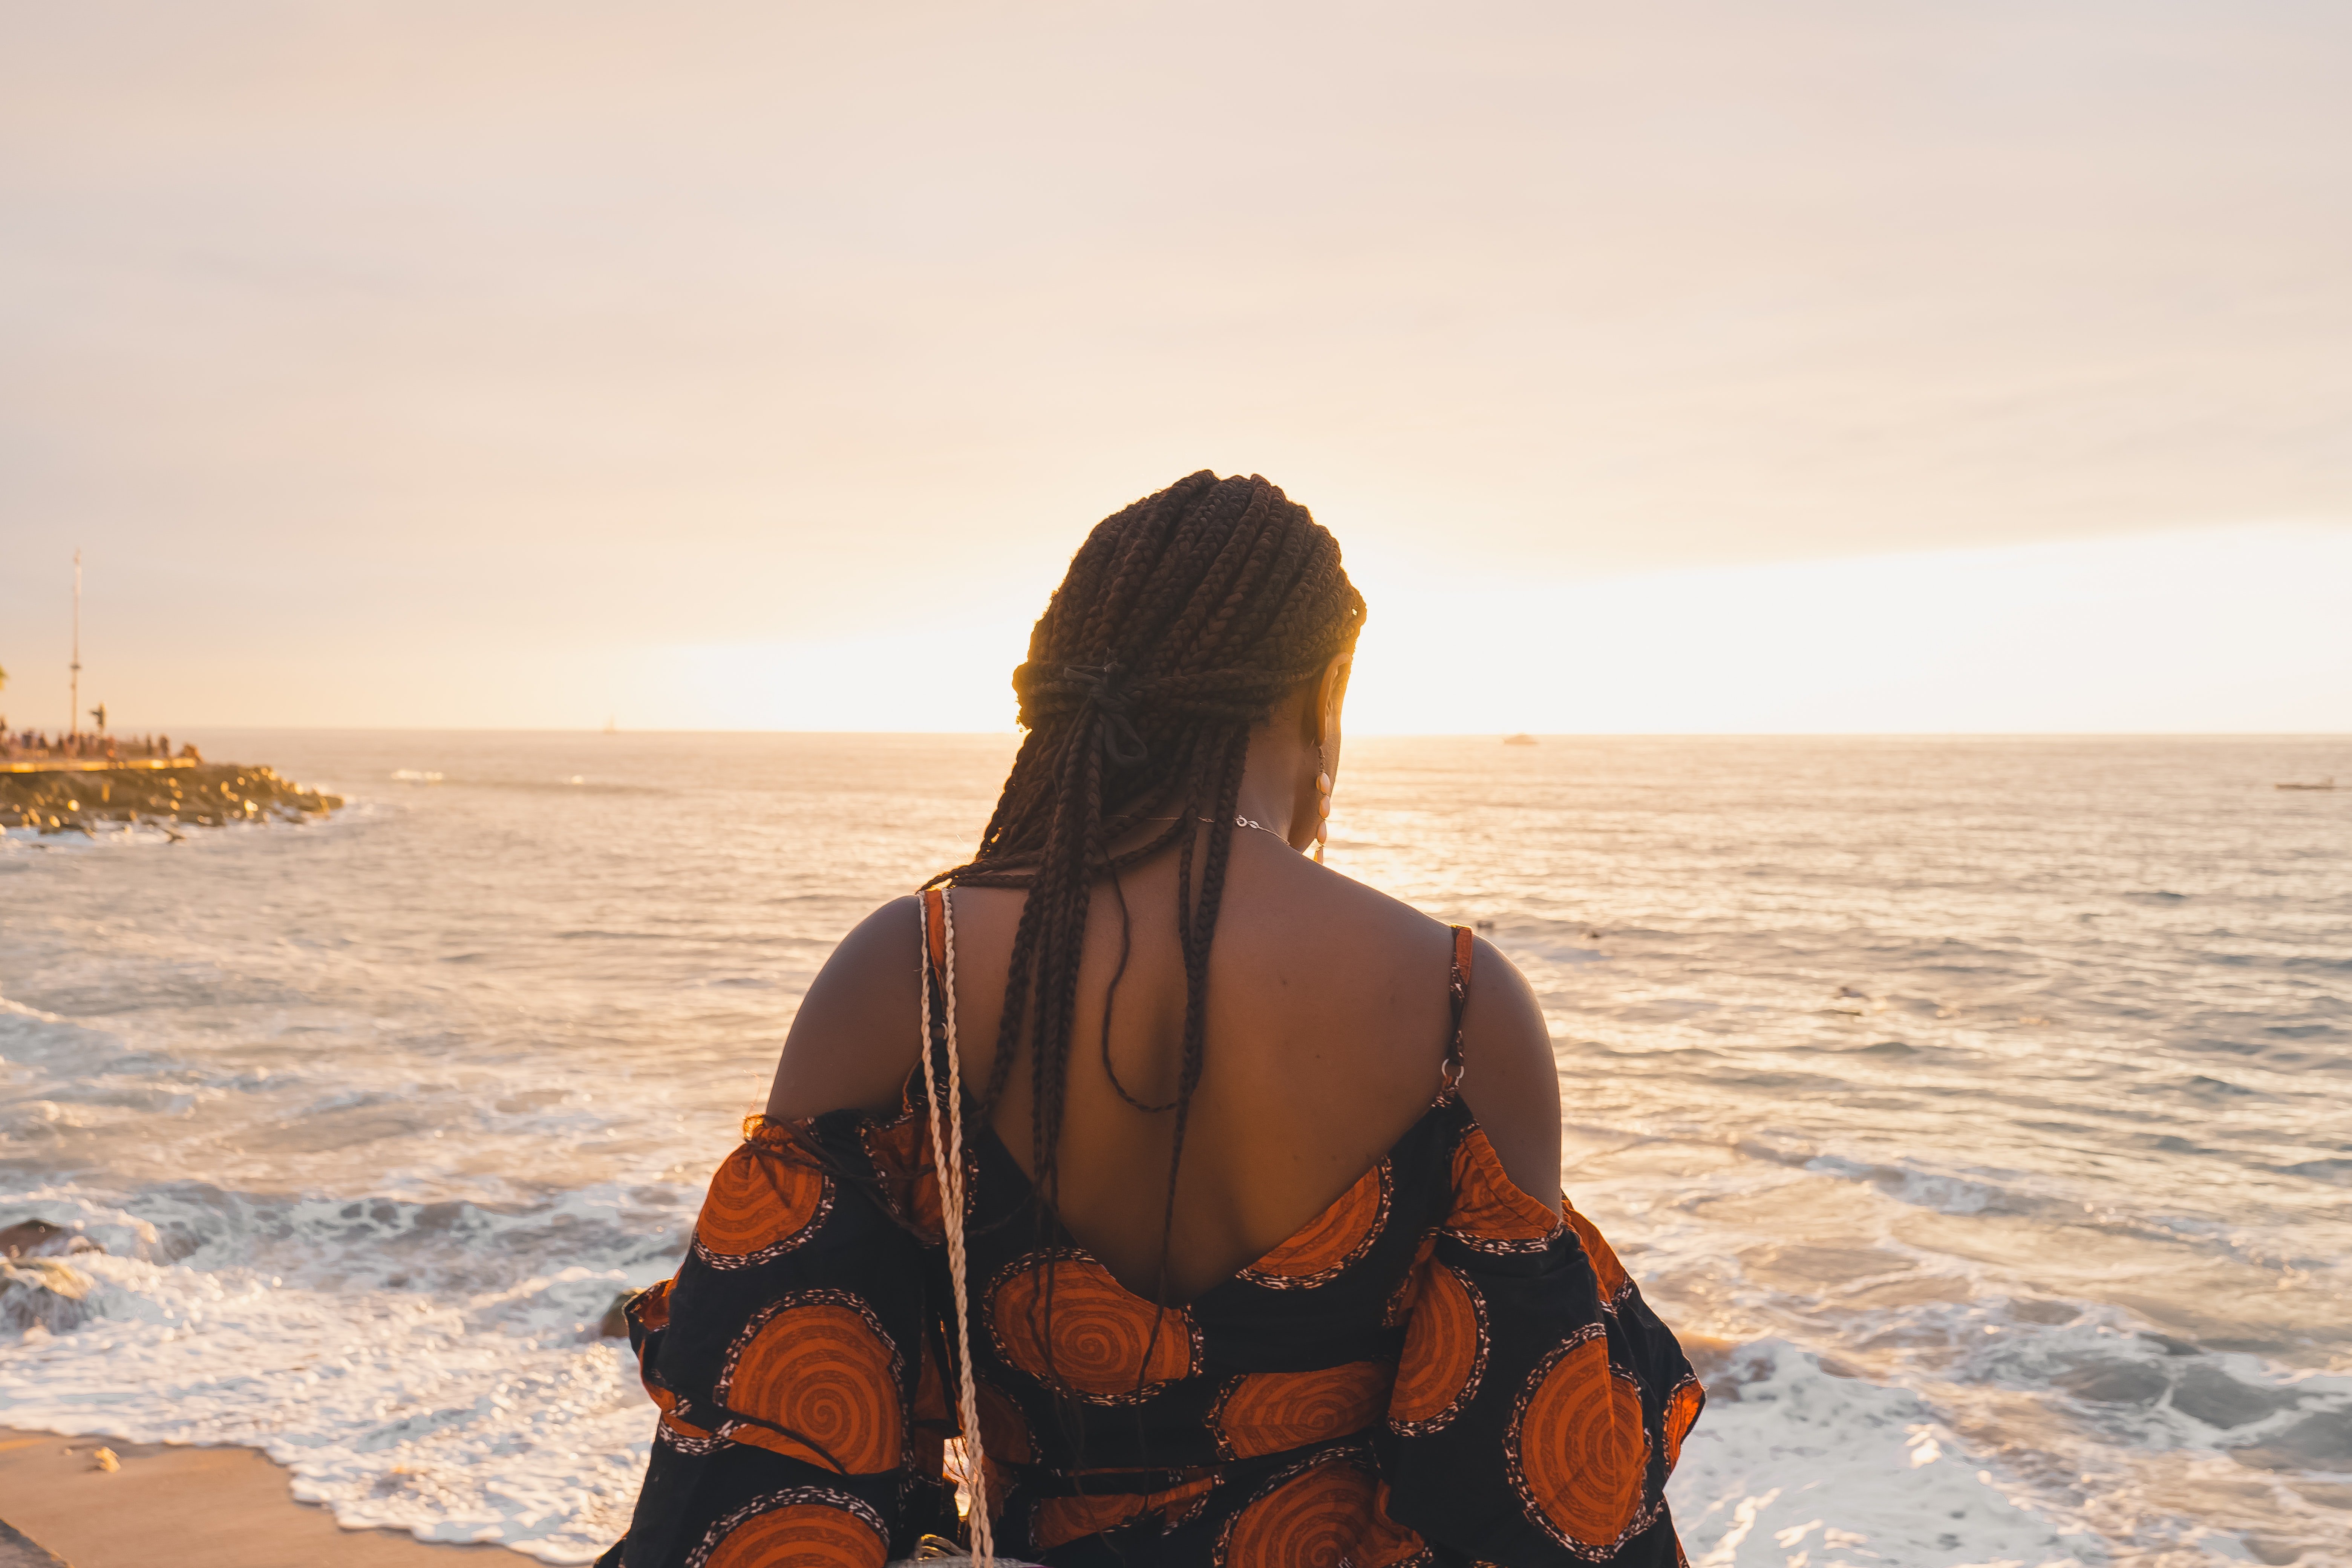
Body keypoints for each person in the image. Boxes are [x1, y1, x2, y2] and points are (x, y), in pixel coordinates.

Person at [602, 473, 1700, 1568]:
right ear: (1320, 698)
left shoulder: (916, 968)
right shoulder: (1463, 1004)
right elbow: (1531, 1495)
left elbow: (772, 1453)